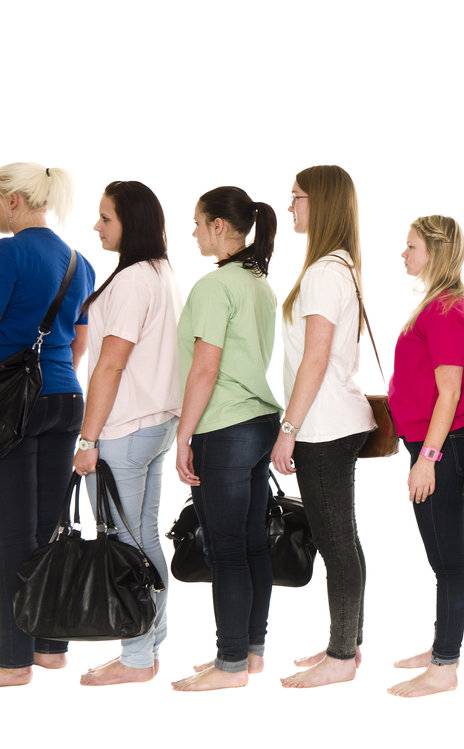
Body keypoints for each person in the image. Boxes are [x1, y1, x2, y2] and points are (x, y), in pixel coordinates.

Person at [170, 187, 282, 693]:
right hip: (259, 422)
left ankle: (230, 662)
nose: (193, 231)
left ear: (220, 225)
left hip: (224, 426)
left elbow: (205, 368)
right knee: (252, 543)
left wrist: (183, 434)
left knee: (226, 550)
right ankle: (250, 651)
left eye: (198, 222)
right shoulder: (259, 284)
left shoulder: (215, 287)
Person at [275, 165, 377, 689]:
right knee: (344, 539)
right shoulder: (338, 268)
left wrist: (287, 427)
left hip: (323, 426)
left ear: (322, 203)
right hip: (337, 420)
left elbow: (314, 359)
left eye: (297, 197)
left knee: (336, 541)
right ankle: (347, 645)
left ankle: (341, 656)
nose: (291, 206)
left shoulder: (323, 274)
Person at [75, 181, 180, 686]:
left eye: (106, 218)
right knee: (143, 538)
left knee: (127, 543)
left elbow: (110, 366)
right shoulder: (159, 273)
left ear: (130, 223)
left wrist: (88, 439)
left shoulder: (135, 280)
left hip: (124, 429)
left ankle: (137, 657)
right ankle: (149, 645)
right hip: (156, 424)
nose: (97, 226)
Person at [0, 163, 93, 687]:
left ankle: (11, 661)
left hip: (13, 404)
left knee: (10, 532)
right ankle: (49, 649)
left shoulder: (7, 255)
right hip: (64, 397)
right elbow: (78, 340)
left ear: (14, 200)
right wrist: (54, 378)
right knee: (47, 526)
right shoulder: (78, 261)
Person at [386, 215, 464, 698]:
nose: (404, 253)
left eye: (411, 247)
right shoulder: (440, 304)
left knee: (449, 561)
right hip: (434, 445)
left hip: (440, 448)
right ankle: (442, 645)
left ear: (435, 252)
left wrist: (428, 458)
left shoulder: (445, 310)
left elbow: (448, 394)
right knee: (442, 558)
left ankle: (446, 664)